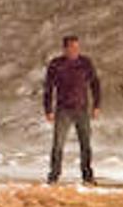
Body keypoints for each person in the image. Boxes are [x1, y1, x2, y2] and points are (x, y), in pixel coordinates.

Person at [42, 35, 102, 184]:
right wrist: (48, 109)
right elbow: (48, 88)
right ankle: (54, 175)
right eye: (72, 47)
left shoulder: (85, 63)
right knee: (58, 144)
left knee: (86, 144)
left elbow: (95, 84)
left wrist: (97, 105)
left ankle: (87, 176)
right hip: (63, 110)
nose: (75, 50)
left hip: (81, 109)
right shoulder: (56, 65)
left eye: (77, 47)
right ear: (65, 49)